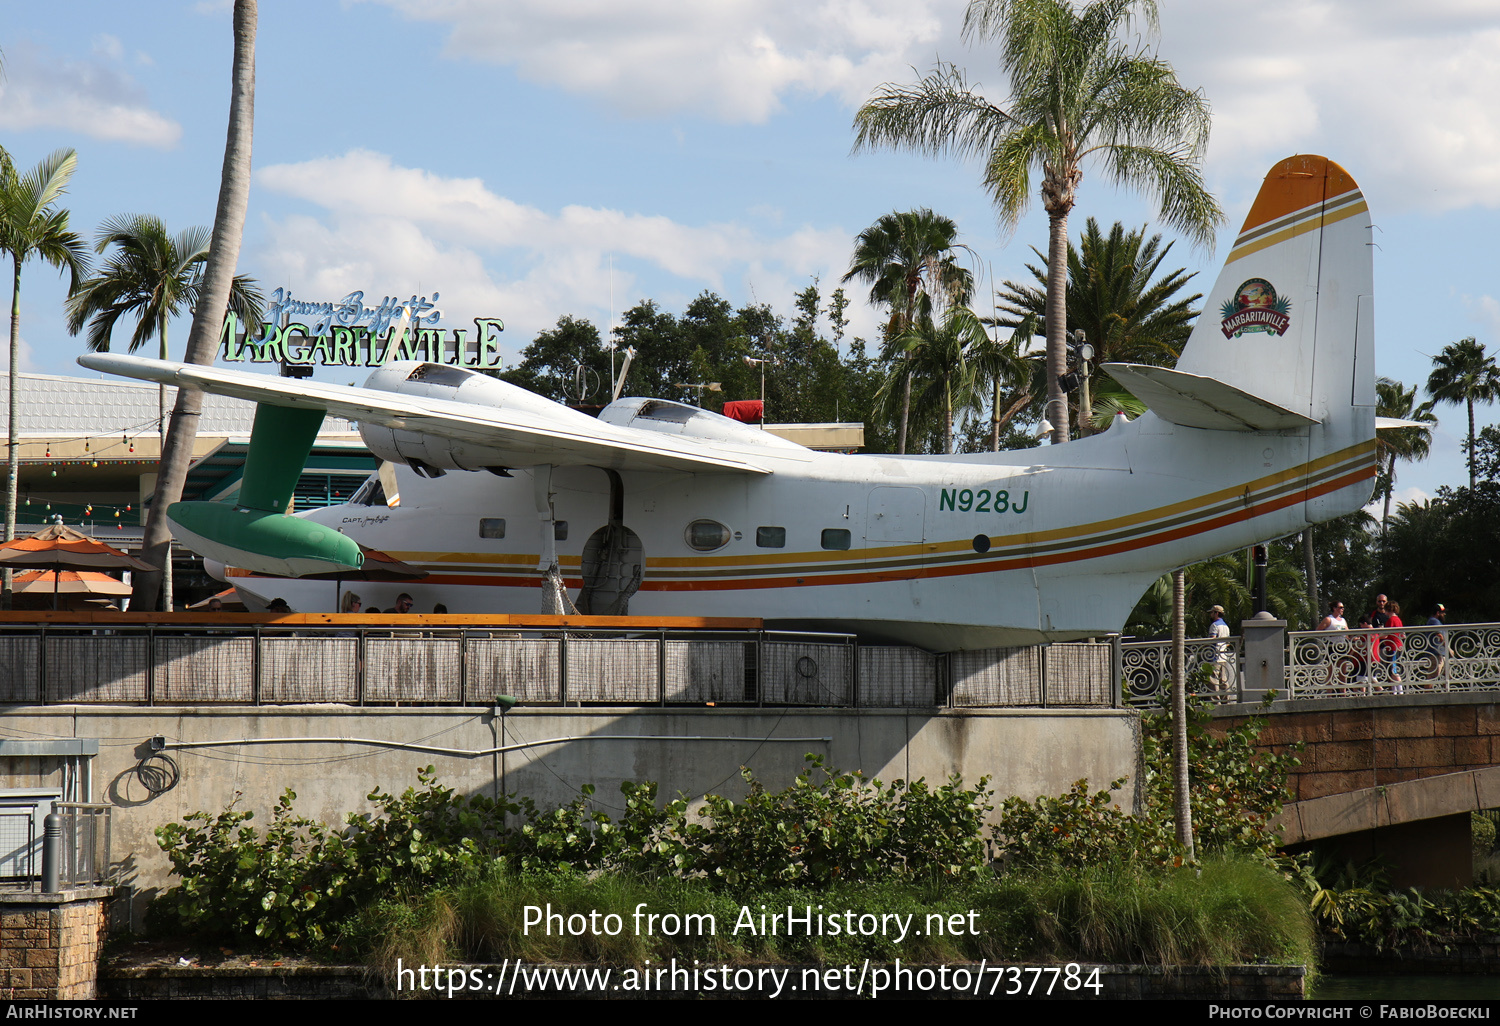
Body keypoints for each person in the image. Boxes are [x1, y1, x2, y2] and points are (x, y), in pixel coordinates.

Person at [1208, 604, 1232, 696]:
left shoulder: (1214, 625)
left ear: (1216, 613)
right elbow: (1228, 642)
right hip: (1223, 656)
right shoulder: (1226, 626)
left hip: (1215, 656)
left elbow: (1212, 640)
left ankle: (1216, 701)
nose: (1210, 615)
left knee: (1213, 679)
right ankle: (1227, 699)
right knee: (1223, 679)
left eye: (1212, 613)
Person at [1425, 603, 1449, 680]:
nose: (1444, 614)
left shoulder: (1436, 622)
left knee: (1447, 677)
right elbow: (1440, 636)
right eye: (1443, 612)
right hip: (1436, 654)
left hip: (1441, 654)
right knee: (1432, 676)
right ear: (1438, 613)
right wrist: (1448, 649)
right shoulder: (1434, 621)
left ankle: (1446, 691)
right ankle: (1427, 692)